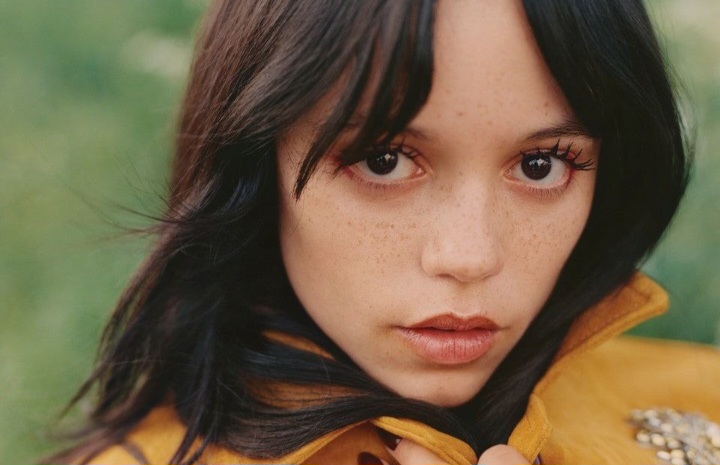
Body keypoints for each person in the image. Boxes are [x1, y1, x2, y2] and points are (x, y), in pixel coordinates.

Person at [48, 0, 720, 464]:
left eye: (541, 165)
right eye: (384, 161)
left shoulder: (703, 393)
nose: (469, 256)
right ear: (255, 163)